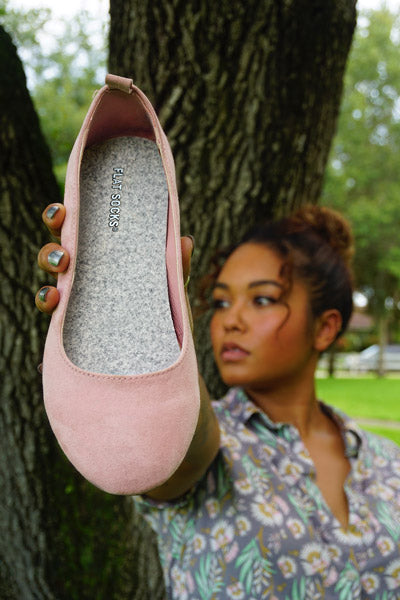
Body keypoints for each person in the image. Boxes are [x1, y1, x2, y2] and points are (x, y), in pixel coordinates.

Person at [37, 204, 400, 599]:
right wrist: (149, 317)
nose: (230, 321)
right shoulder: (206, 440)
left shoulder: (388, 462)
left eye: (261, 300)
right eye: (222, 302)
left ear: (325, 327)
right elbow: (181, 441)